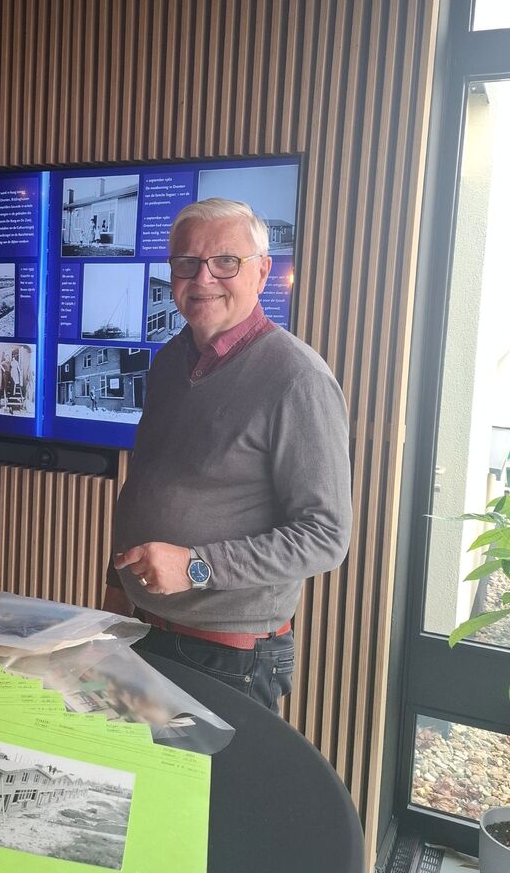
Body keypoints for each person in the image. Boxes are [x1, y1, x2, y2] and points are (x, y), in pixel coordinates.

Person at [103, 197, 351, 711]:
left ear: (262, 273)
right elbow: (146, 486)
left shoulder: (297, 380)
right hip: (142, 630)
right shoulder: (170, 361)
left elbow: (326, 536)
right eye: (186, 264)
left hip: (227, 657)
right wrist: (118, 587)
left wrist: (196, 567)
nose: (203, 278)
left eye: (225, 262)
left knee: (212, 795)